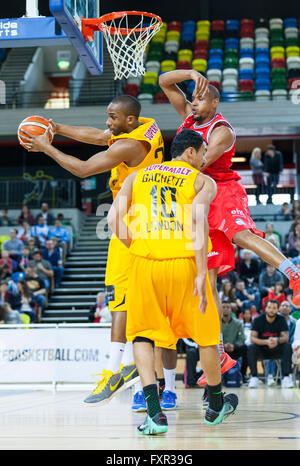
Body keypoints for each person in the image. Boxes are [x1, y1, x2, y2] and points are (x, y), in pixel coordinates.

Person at [158, 68, 300, 388]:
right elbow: (164, 82)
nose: (193, 102)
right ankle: (219, 351)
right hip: (199, 195)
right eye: (192, 98)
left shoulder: (221, 130)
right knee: (207, 278)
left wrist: (165, 177)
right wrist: (193, 75)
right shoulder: (188, 117)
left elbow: (199, 164)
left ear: (215, 102)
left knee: (241, 236)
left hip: (223, 190)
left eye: (200, 98)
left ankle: (292, 272)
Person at [22, 94, 164, 409]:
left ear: (128, 120)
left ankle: (116, 371)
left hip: (134, 224)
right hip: (147, 220)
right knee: (128, 301)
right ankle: (140, 377)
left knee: (120, 299)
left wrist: (47, 147)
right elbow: (101, 137)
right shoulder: (146, 125)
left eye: (113, 117)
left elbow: (85, 169)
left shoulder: (129, 146)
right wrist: (56, 126)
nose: (108, 123)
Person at [107, 128, 238, 433]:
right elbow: (197, 220)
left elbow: (114, 220)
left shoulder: (137, 176)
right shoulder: (201, 181)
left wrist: (138, 249)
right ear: (190, 151)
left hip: (144, 264)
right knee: (205, 336)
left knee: (141, 336)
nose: (205, 159)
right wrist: (203, 273)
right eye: (203, 153)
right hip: (185, 265)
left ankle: (154, 414)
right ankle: (216, 407)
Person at [247, 299, 293, 388]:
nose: (271, 310)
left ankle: (286, 377)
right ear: (266, 309)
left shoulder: (281, 319)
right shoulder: (258, 320)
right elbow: (252, 338)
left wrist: (277, 340)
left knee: (287, 346)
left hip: (276, 349)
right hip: (262, 349)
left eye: (274, 308)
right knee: (251, 347)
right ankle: (254, 377)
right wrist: (266, 342)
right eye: (269, 307)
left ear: (277, 309)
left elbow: (286, 337)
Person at [221, 301, 248, 382]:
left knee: (246, 348)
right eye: (223, 307)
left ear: (231, 310)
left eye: (228, 307)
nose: (225, 309)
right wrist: (223, 346)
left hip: (234, 349)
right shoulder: (216, 323)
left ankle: (243, 376)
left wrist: (234, 346)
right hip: (220, 350)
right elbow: (213, 338)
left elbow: (242, 338)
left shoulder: (238, 323)